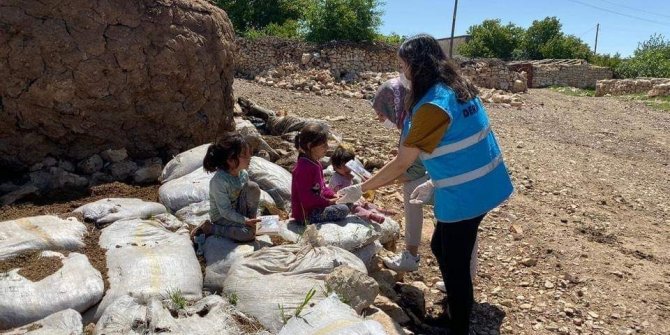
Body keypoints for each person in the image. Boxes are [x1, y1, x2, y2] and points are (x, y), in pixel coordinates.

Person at [337, 34, 514, 335]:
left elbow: (402, 163)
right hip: (484, 183)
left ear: (417, 66)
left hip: (466, 194)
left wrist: (363, 187)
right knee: (440, 246)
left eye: (403, 65)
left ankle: (456, 326)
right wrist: (434, 180)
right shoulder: (457, 89)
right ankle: (456, 312)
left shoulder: (431, 106)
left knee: (455, 264)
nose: (401, 72)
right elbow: (461, 140)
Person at [371, 77, 429, 272]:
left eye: (381, 114)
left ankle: (411, 255)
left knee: (411, 188)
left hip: (450, 180)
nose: (380, 119)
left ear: (392, 106)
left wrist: (374, 183)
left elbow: (414, 169)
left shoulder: (412, 122)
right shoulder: (409, 118)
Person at [199, 132, 261, 243]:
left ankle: (252, 221)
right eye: (245, 155)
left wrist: (247, 219)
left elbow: (246, 195)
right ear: (231, 160)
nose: (250, 157)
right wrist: (244, 221)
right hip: (222, 217)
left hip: (237, 210)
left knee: (253, 187)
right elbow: (225, 212)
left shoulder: (243, 174)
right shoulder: (219, 182)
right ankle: (211, 228)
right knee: (248, 234)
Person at [291, 123, 348, 224]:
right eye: (323, 145)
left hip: (316, 205)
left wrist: (334, 195)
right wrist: (329, 202)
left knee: (347, 200)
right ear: (310, 146)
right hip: (306, 214)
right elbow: (307, 200)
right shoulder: (303, 168)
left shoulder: (316, 163)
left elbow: (322, 188)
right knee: (343, 209)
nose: (327, 147)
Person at [329, 144, 387, 224]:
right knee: (355, 207)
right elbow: (340, 194)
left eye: (349, 165)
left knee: (366, 203)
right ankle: (370, 215)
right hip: (342, 200)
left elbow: (356, 186)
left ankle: (379, 210)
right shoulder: (336, 178)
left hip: (351, 196)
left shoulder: (349, 174)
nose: (347, 168)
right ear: (335, 167)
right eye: (343, 166)